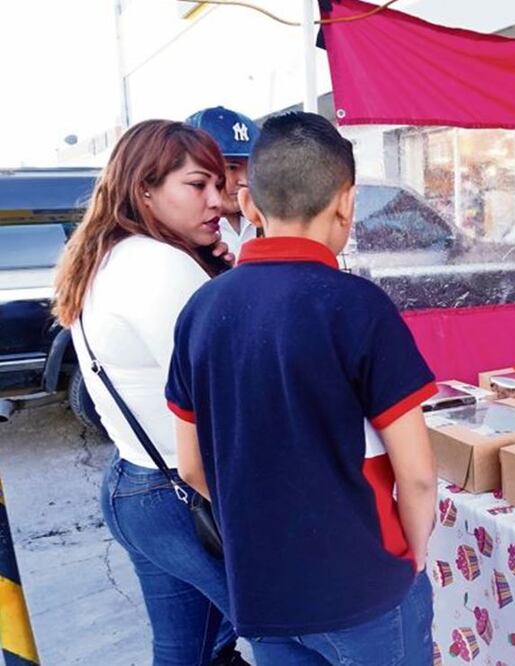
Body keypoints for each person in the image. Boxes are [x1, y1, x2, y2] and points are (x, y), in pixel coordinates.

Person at [166, 112, 438, 665]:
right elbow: (417, 475)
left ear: (248, 205)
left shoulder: (201, 309)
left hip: (264, 596)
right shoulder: (359, 307)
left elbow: (191, 467)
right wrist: (413, 558)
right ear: (347, 202)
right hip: (365, 590)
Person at [53, 120, 246, 665]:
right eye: (198, 185)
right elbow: (224, 400)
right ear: (144, 189)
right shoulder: (159, 264)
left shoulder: (112, 253)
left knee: (190, 651)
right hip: (182, 492)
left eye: (219, 185)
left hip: (136, 483)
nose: (218, 201)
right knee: (295, 635)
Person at [185, 107, 261, 257]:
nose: (245, 180)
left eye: (251, 167)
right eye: (232, 167)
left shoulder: (269, 219)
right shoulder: (186, 233)